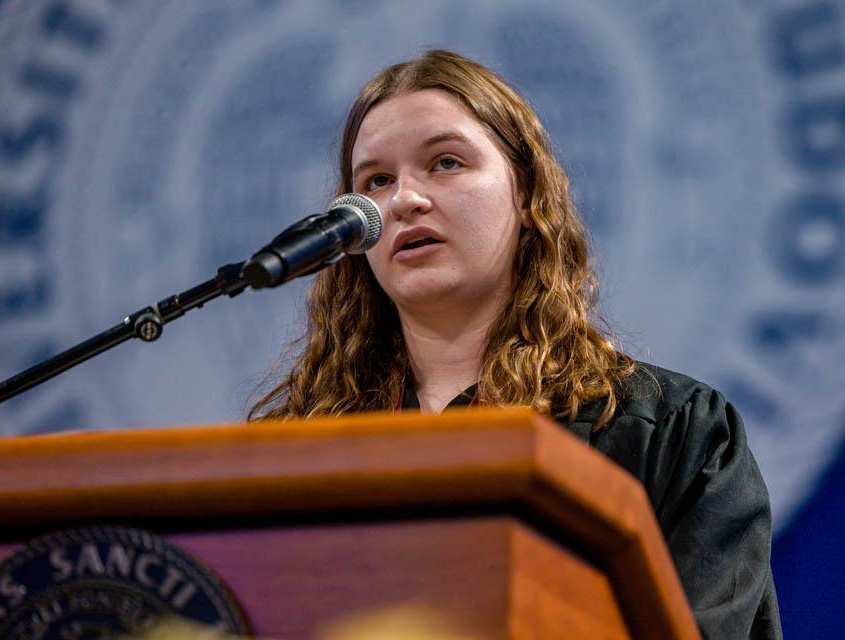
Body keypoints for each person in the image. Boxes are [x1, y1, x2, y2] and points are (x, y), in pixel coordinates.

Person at [250, 49, 782, 639]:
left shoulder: (670, 432)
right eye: (375, 181)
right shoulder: (294, 450)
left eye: (445, 162)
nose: (403, 200)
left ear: (526, 195)